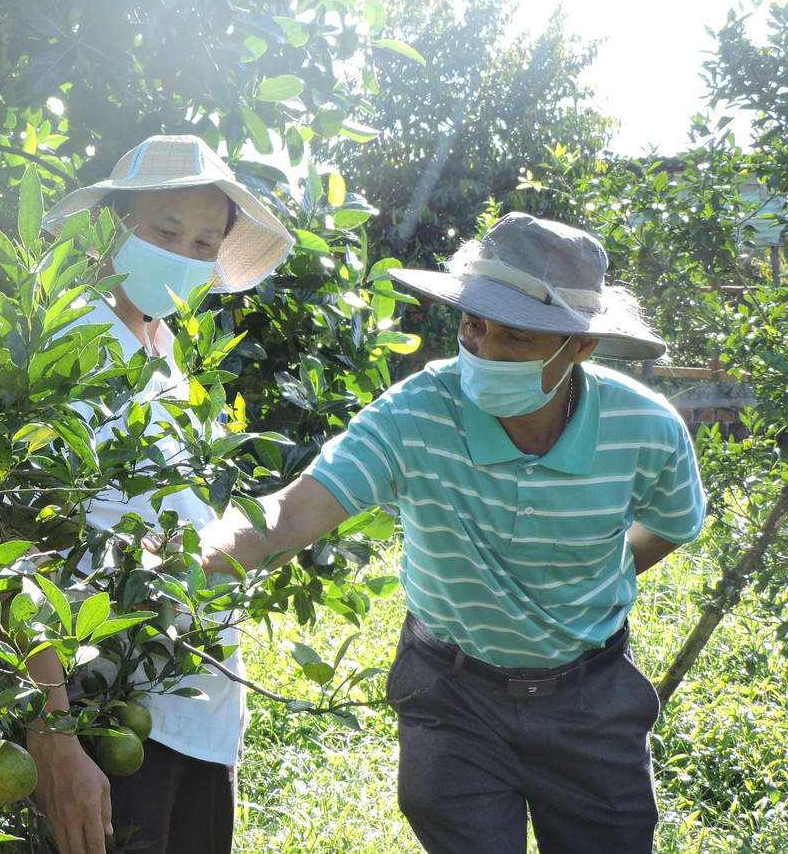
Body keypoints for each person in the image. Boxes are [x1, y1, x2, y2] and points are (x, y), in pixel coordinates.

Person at [194, 212, 707, 854]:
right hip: (452, 694)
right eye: (473, 324)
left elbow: (673, 524)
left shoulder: (645, 428)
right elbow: (292, 513)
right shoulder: (418, 411)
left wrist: (592, 578)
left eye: (515, 337)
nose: (483, 349)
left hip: (590, 701)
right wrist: (197, 549)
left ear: (578, 347)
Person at [26, 134, 293, 854]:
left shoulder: (170, 357)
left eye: (206, 240)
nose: (185, 252)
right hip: (108, 723)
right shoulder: (65, 349)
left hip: (192, 721)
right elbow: (16, 554)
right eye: (165, 230)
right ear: (111, 230)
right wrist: (55, 737)